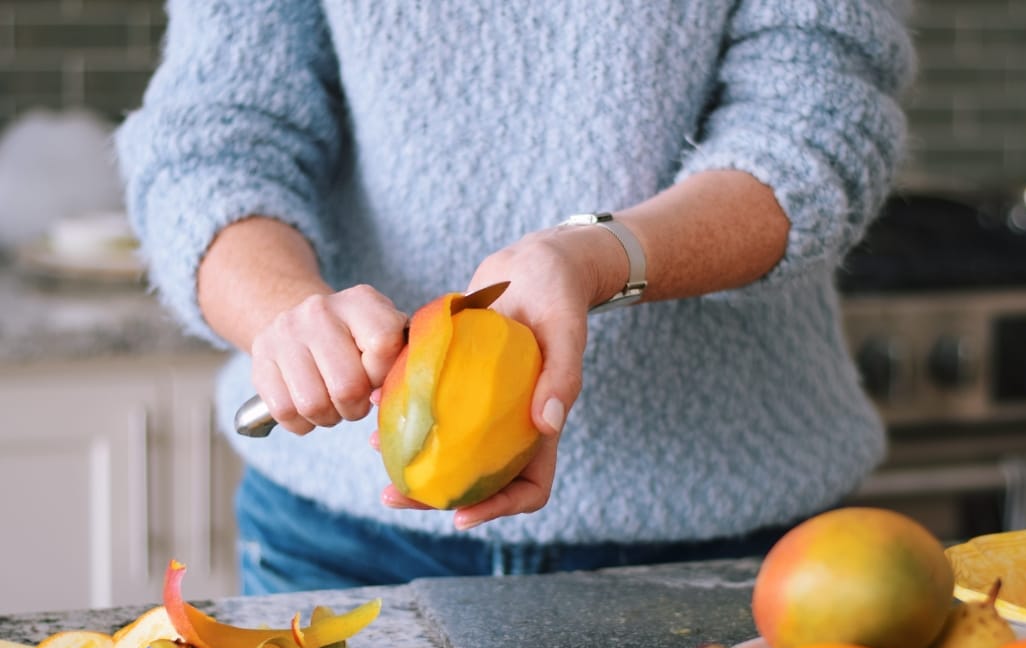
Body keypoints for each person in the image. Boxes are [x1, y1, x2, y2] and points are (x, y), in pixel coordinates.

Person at [116, 1, 915, 595]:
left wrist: (600, 256)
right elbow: (212, 144)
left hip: (724, 544)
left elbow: (813, 135)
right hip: (335, 542)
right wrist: (286, 318)